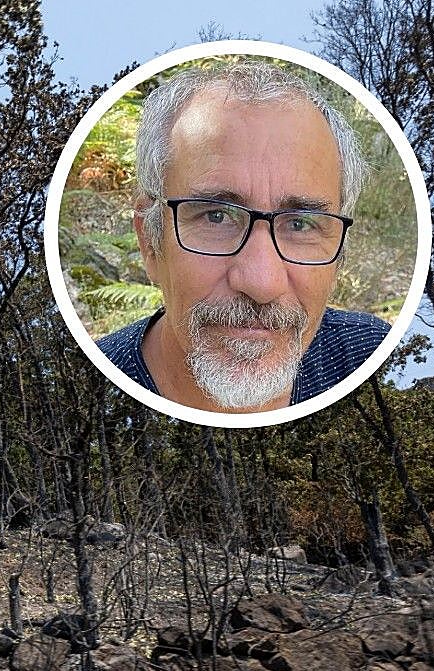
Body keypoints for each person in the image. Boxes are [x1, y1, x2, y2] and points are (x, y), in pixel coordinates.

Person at [96, 61, 391, 413]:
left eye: (300, 224)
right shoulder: (82, 396)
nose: (261, 284)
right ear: (150, 241)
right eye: (216, 217)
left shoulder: (372, 356)